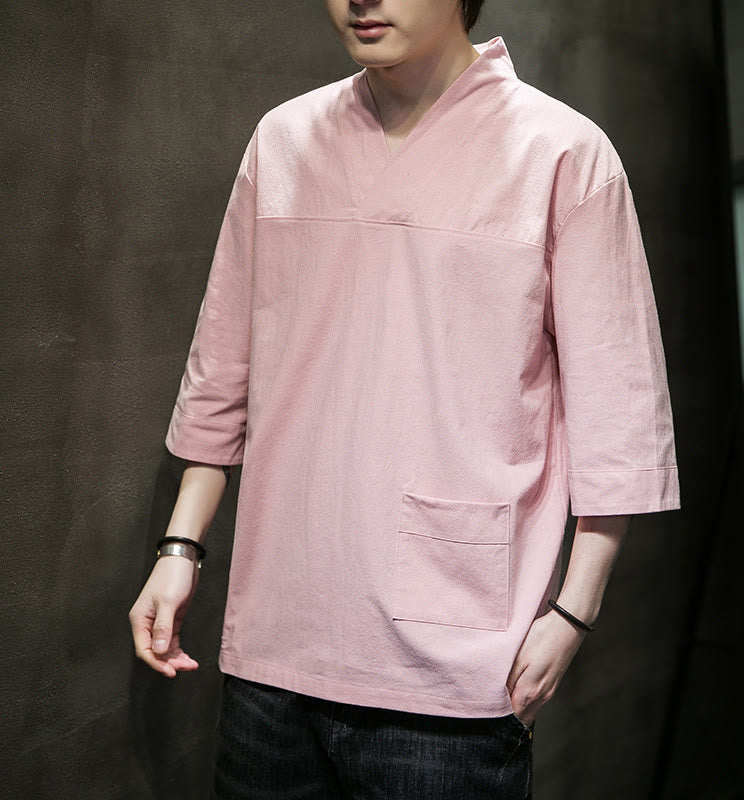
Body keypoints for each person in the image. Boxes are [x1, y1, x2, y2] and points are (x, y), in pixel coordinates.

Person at [129, 0, 681, 796]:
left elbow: (618, 406)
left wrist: (573, 611)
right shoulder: (282, 141)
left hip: (455, 670)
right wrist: (180, 549)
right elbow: (222, 369)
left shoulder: (561, 152)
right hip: (275, 651)